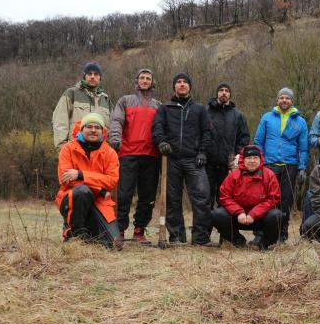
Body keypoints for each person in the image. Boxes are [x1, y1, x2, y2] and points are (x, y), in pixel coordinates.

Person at [152, 72, 215, 246]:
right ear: (174, 87)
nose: (181, 84)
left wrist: (203, 152)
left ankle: (200, 238)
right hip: (171, 160)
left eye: (185, 82)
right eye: (178, 82)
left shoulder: (200, 109)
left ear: (190, 87)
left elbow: (207, 133)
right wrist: (162, 142)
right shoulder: (165, 108)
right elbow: (157, 128)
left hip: (194, 160)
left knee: (202, 197)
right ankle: (177, 237)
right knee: (172, 199)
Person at [108, 68, 161, 243]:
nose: (145, 81)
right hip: (128, 154)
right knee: (123, 194)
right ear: (136, 81)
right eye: (142, 78)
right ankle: (120, 230)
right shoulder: (125, 101)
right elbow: (116, 121)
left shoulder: (158, 106)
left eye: (148, 78)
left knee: (147, 196)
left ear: (152, 82)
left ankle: (139, 230)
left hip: (151, 155)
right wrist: (115, 138)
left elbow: (161, 128)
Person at [55, 113, 121, 249]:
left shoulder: (110, 153)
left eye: (97, 127)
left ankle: (88, 234)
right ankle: (74, 233)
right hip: (73, 197)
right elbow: (65, 179)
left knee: (114, 245)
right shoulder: (67, 149)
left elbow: (111, 181)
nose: (93, 130)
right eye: (89, 126)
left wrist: (80, 174)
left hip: (100, 201)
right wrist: (99, 189)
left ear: (102, 131)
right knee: (82, 192)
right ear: (81, 129)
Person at [254, 87, 308, 242]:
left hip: (290, 165)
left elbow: (303, 147)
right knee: (264, 198)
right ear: (277, 100)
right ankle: (261, 233)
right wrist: (260, 163)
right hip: (269, 164)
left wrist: (302, 167)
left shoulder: (300, 121)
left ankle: (282, 234)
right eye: (282, 98)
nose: (284, 100)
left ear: (292, 101)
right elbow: (258, 142)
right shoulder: (267, 118)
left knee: (286, 200)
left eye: (288, 98)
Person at [211, 145, 282, 250]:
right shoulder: (234, 175)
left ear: (260, 159)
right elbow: (224, 197)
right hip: (238, 217)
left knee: (277, 215)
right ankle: (238, 240)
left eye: (255, 158)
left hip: (260, 218)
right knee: (217, 214)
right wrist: (239, 212)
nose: (252, 161)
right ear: (243, 160)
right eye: (248, 158)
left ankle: (264, 243)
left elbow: (274, 198)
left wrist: (254, 214)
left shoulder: (269, 175)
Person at [206, 82, 250, 207]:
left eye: (226, 90)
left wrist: (238, 155)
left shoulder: (238, 115)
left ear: (230, 94)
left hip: (228, 164)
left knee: (225, 197)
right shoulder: (206, 112)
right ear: (217, 93)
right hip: (208, 162)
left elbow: (244, 137)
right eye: (221, 90)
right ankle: (205, 226)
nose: (224, 92)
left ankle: (223, 226)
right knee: (206, 197)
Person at [52, 62, 113, 150]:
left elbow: (111, 128)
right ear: (84, 76)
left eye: (96, 74)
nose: (92, 76)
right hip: (74, 149)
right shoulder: (71, 93)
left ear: (100, 78)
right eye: (89, 74)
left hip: (100, 153)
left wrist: (109, 148)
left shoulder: (106, 99)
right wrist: (62, 148)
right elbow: (59, 122)